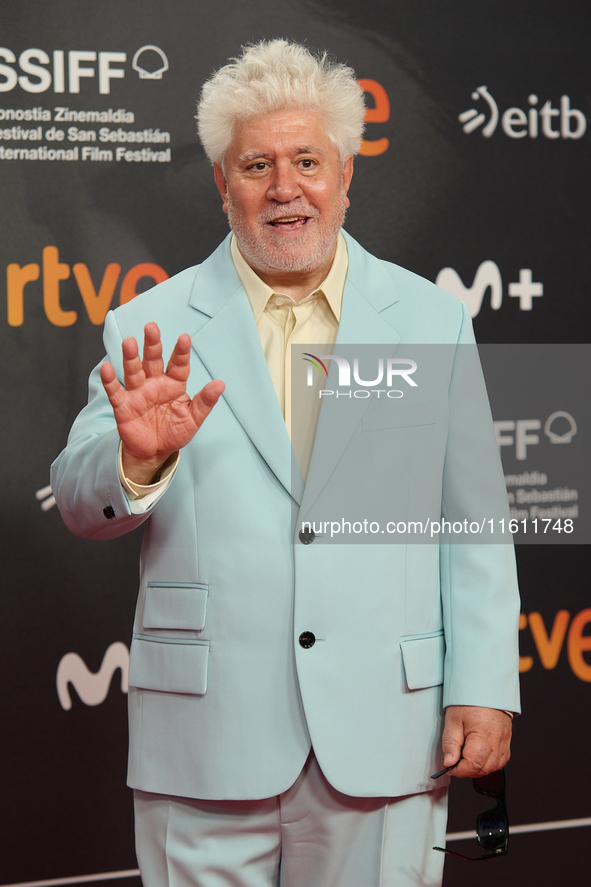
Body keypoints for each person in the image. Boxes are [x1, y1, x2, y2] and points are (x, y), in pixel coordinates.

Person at [51, 39, 520, 887]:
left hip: (386, 731)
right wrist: (134, 458)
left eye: (306, 159)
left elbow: (474, 521)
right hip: (203, 743)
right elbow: (83, 503)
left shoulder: (429, 320)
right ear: (221, 183)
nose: (283, 187)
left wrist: (485, 685)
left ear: (345, 172)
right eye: (256, 163)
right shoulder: (147, 325)